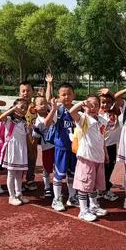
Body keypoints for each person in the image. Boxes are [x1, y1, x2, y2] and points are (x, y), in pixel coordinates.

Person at [70, 95, 108, 222]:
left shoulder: (102, 121)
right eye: (90, 104)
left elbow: (102, 139)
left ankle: (93, 206)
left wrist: (105, 153)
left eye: (96, 105)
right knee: (84, 185)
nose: (93, 107)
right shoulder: (83, 119)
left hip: (98, 157)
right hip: (86, 157)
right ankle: (83, 210)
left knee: (94, 185)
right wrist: (81, 103)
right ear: (85, 106)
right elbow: (72, 112)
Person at [44, 79, 79, 211]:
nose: (66, 97)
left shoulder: (77, 110)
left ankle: (72, 196)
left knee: (72, 174)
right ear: (59, 96)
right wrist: (53, 109)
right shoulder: (58, 111)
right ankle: (57, 199)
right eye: (63, 94)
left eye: (69, 94)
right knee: (59, 174)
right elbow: (46, 124)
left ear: (73, 95)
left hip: (74, 149)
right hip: (61, 148)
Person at [0, 98, 30, 206]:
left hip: (21, 149)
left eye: (25, 108)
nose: (23, 109)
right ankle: (11, 196)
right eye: (21, 107)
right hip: (12, 149)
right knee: (11, 173)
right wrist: (12, 109)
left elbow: (26, 135)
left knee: (19, 173)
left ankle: (19, 193)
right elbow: (0, 118)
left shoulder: (24, 121)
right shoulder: (9, 119)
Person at [97, 89, 120, 201]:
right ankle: (100, 189)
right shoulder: (96, 113)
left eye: (108, 102)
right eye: (103, 102)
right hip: (100, 146)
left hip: (111, 145)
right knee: (101, 168)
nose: (105, 104)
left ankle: (105, 189)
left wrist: (110, 92)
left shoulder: (115, 112)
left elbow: (119, 100)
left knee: (110, 167)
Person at [33, 95, 55, 198]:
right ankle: (47, 187)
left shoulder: (52, 112)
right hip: (47, 148)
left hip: (58, 146)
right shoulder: (37, 123)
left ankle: (57, 187)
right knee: (46, 168)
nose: (43, 106)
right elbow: (35, 139)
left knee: (59, 168)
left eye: (45, 103)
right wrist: (33, 151)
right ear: (35, 107)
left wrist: (49, 84)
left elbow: (49, 96)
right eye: (40, 104)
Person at [19, 81, 38, 192]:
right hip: (20, 137)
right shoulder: (16, 105)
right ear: (20, 92)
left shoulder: (35, 105)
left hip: (33, 136)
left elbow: (47, 99)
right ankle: (19, 180)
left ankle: (30, 179)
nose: (26, 93)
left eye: (28, 90)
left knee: (32, 157)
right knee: (21, 158)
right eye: (23, 91)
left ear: (32, 92)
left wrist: (49, 84)